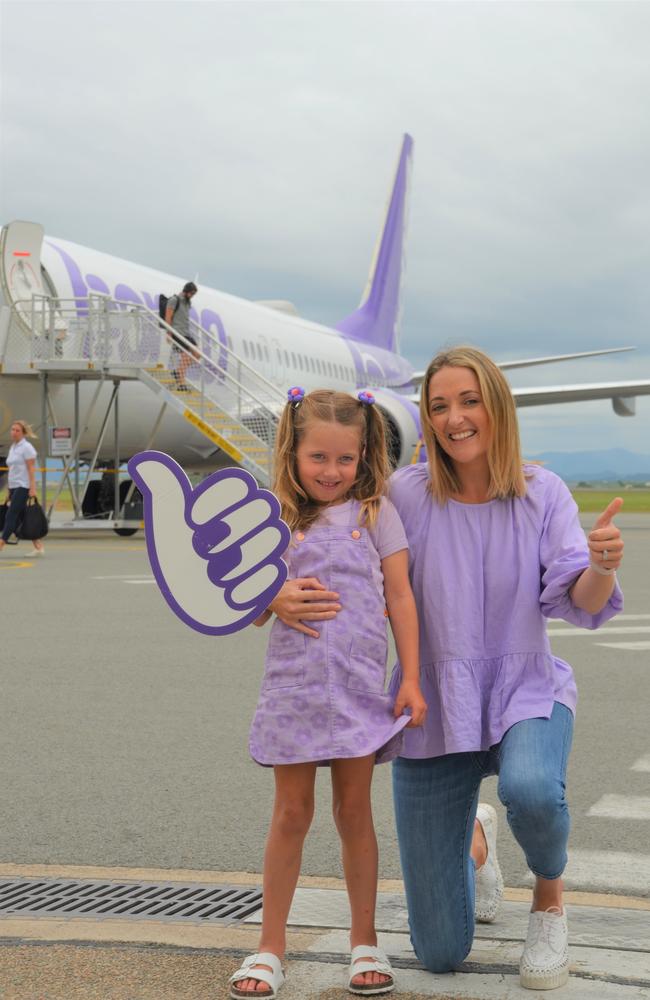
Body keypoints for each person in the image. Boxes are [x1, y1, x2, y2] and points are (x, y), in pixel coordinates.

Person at [268, 348, 625, 992]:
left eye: (469, 401)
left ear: (496, 405)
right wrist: (274, 596)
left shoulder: (542, 491)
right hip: (431, 701)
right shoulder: (401, 493)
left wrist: (601, 566)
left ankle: (548, 899)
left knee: (534, 789)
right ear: (426, 419)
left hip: (526, 688)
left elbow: (581, 601)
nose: (454, 417)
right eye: (439, 406)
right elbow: (323, 537)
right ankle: (475, 844)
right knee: (437, 952)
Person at [229, 387, 427, 999]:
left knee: (354, 812)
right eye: (319, 458)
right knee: (292, 814)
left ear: (364, 455)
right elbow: (247, 605)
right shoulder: (273, 518)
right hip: (296, 691)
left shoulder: (376, 514)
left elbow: (400, 597)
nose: (332, 472)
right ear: (293, 450)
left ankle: (364, 938)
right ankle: (269, 946)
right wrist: (272, 596)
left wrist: (411, 678)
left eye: (346, 459)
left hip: (362, 688)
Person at [0, 420, 45, 557]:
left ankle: (1, 544)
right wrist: (9, 489)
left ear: (23, 433)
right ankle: (38, 546)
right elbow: (13, 470)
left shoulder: (27, 447)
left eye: (17, 430)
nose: (14, 432)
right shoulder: (13, 447)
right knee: (21, 516)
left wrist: (33, 488)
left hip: (23, 485)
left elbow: (31, 469)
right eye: (12, 430)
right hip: (14, 486)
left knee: (11, 514)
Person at [165, 281, 199, 390]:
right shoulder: (174, 300)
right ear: (186, 291)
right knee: (185, 355)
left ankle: (178, 372)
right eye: (191, 293)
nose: (192, 296)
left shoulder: (188, 303)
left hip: (185, 333)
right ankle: (181, 383)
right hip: (177, 333)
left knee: (197, 354)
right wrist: (169, 333)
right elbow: (168, 316)